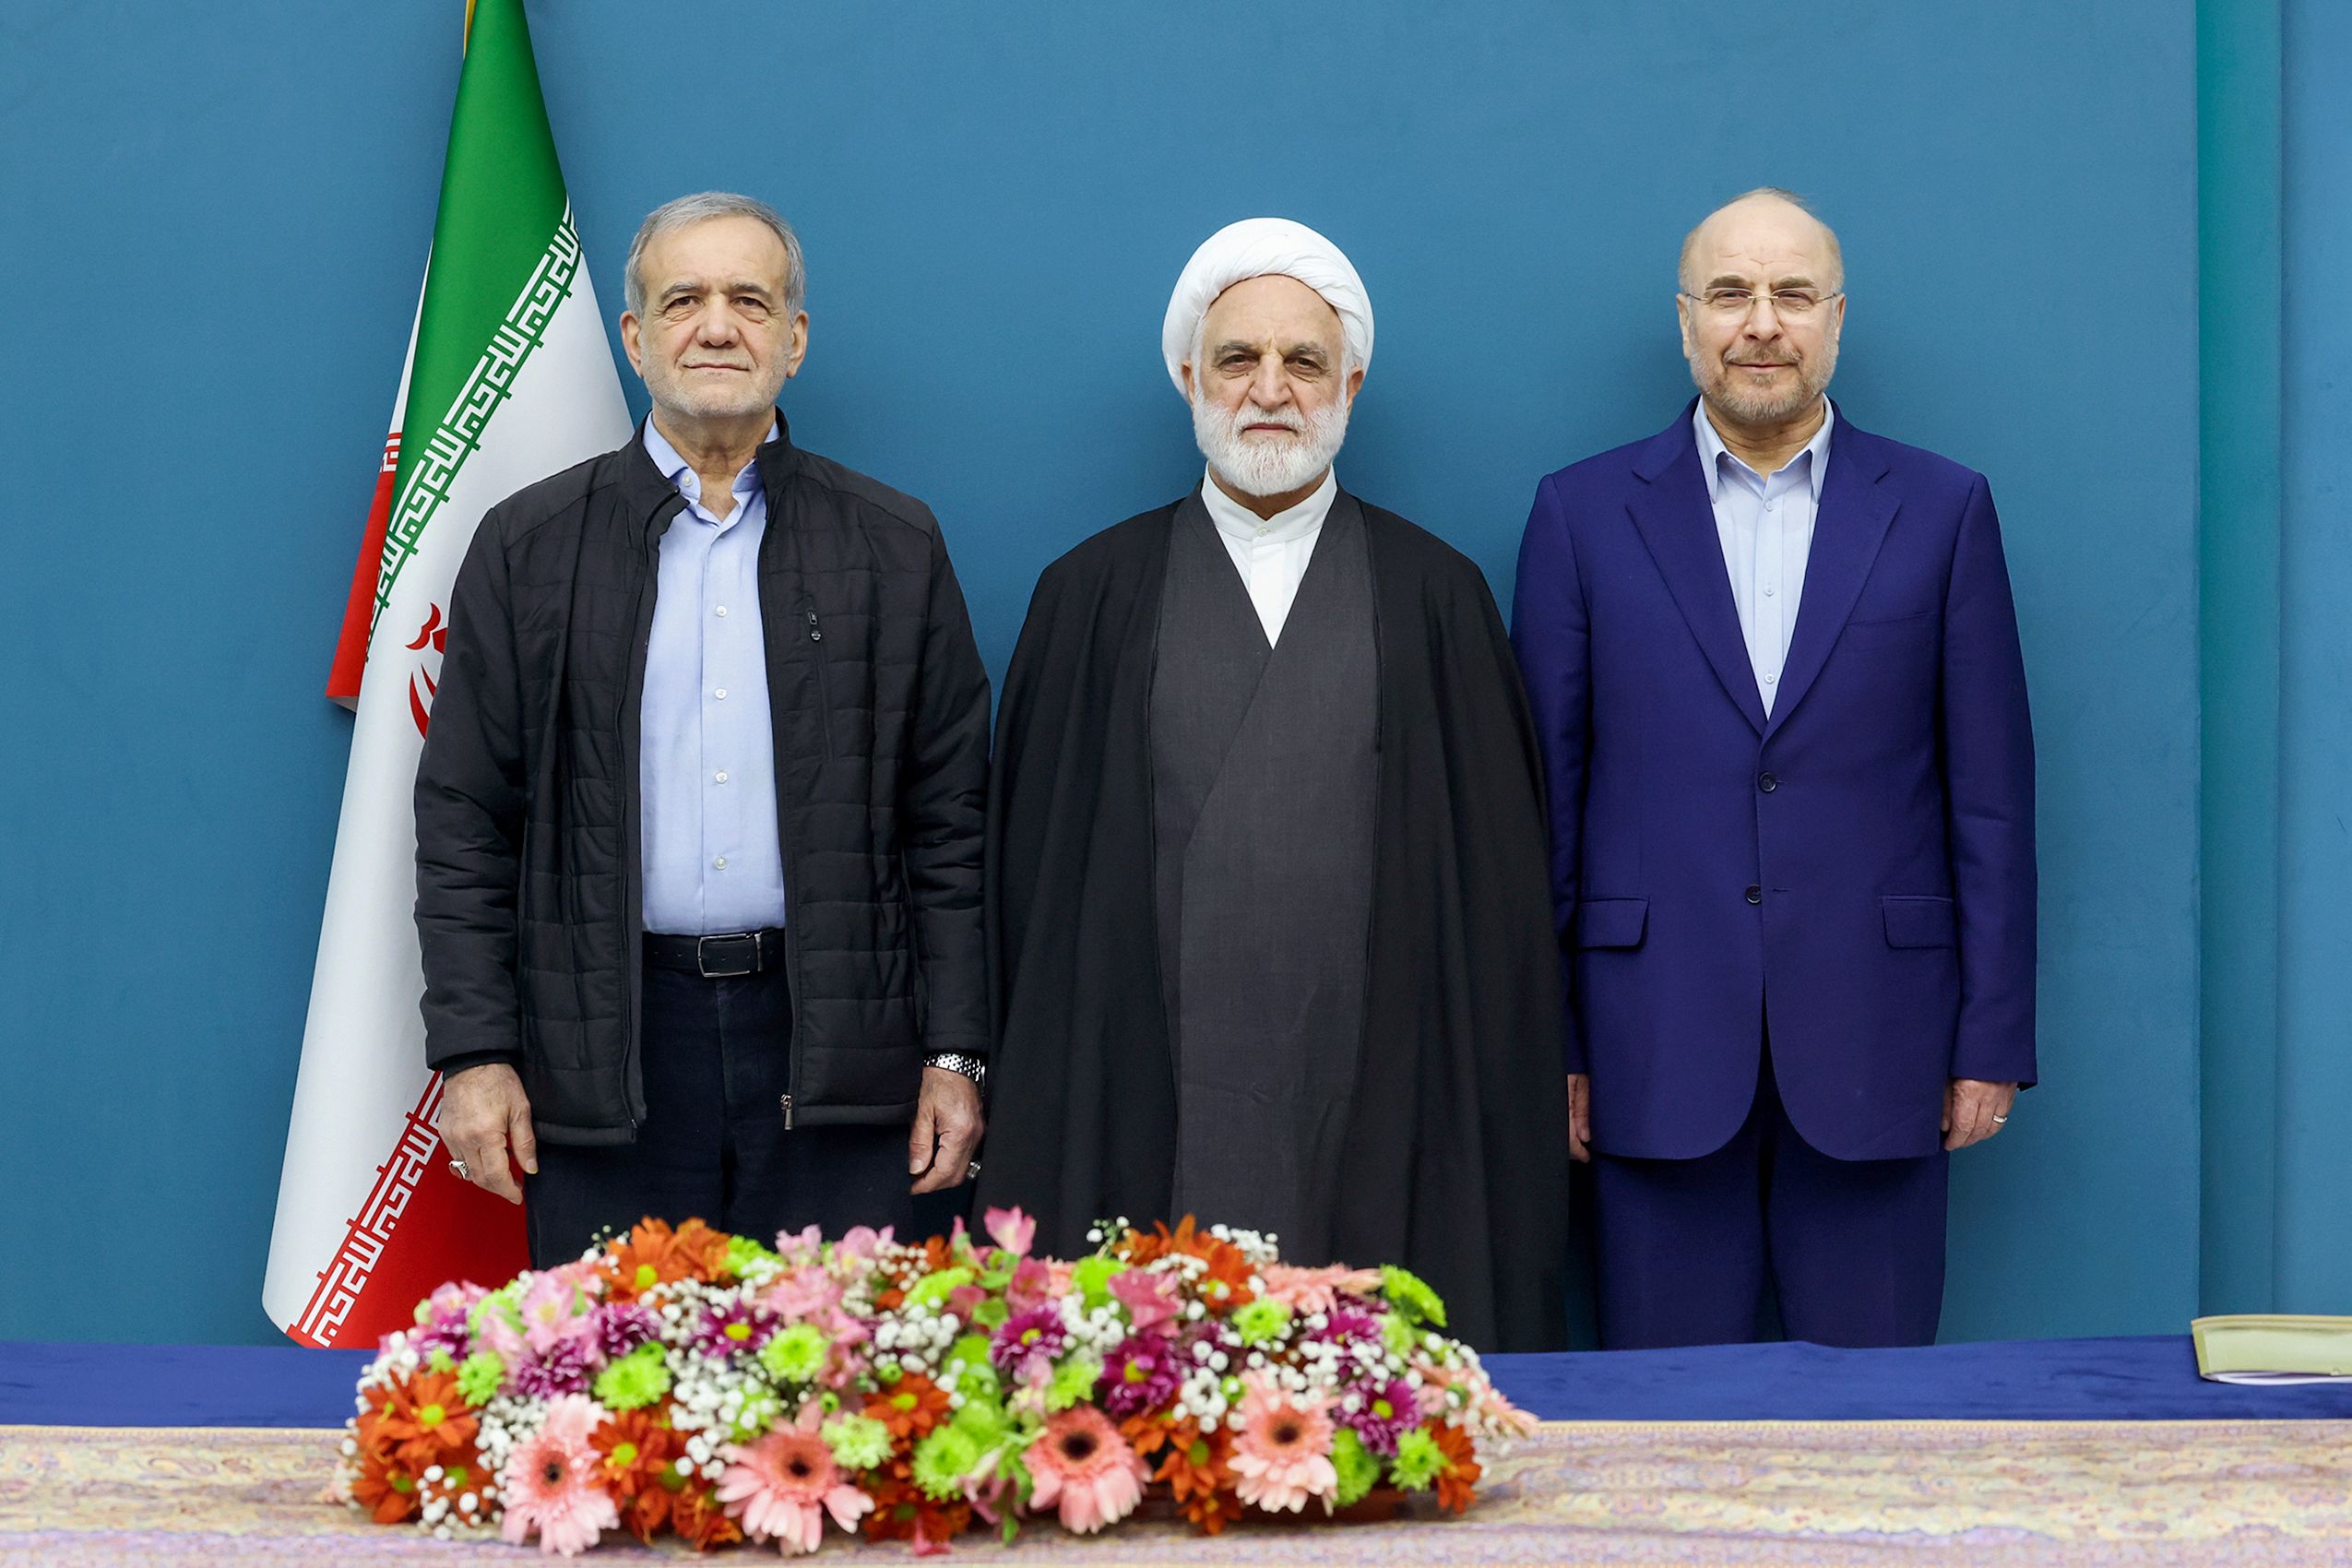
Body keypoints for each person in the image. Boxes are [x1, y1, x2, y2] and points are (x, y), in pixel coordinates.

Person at [975, 218, 1570, 1351]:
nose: (1270, 388)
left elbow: (1493, 909)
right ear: (1190, 377)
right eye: (1239, 358)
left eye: (1303, 360)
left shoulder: (1436, 597)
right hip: (1144, 1091)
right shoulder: (1089, 596)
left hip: (1382, 1086)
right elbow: (1032, 899)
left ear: (1349, 381)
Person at [416, 193, 992, 1266]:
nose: (717, 326)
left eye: (749, 299)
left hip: (839, 1059)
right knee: (618, 1413)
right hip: (608, 1051)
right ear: (634, 338)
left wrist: (958, 1053)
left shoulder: (895, 544)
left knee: (838, 1412)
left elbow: (949, 825)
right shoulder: (528, 546)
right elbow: (464, 819)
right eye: (683, 300)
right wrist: (477, 1050)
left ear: (795, 338)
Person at [1511, 188, 2036, 1348]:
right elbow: (1541, 802)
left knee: (1881, 1434)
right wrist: (1552, 1044)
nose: (1762, 322)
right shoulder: (1583, 513)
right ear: (1686, 319)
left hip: (1883, 1042)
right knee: (1657, 1431)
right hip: (1646, 1048)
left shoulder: (1944, 510)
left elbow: (1990, 798)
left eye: (1792, 294)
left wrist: (1989, 1037)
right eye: (1732, 294)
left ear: (1836, 319)